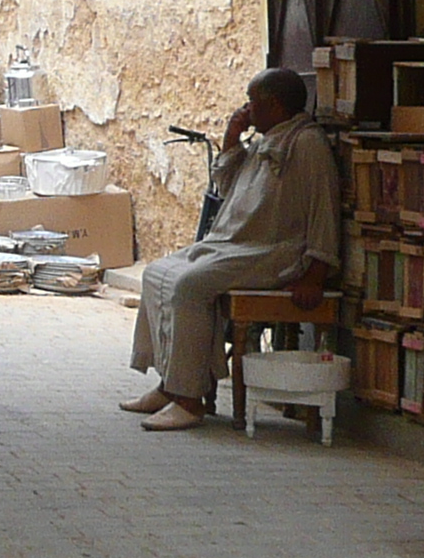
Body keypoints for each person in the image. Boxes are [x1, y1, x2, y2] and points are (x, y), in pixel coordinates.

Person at [123, 67, 340, 432]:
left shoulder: (305, 144)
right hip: (231, 244)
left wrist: (315, 272)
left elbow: (325, 209)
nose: (247, 108)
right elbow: (224, 187)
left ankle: (190, 400)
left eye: (252, 102)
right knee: (157, 273)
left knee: (189, 286)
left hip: (271, 251)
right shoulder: (264, 139)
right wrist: (232, 138)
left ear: (273, 104)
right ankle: (169, 385)